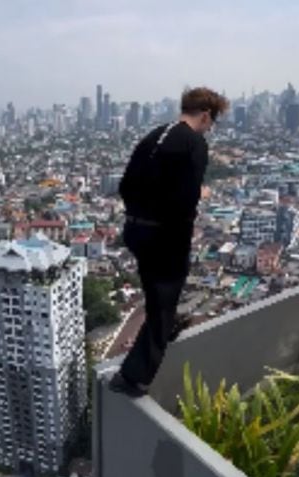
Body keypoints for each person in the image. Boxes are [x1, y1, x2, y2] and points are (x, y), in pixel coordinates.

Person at [109, 87, 229, 397]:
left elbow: (124, 185)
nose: (210, 128)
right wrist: (199, 195)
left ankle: (157, 337)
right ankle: (134, 377)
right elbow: (186, 198)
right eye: (211, 122)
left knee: (155, 296)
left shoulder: (155, 135)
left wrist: (144, 210)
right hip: (165, 237)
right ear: (205, 115)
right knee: (164, 301)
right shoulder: (194, 143)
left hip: (136, 229)